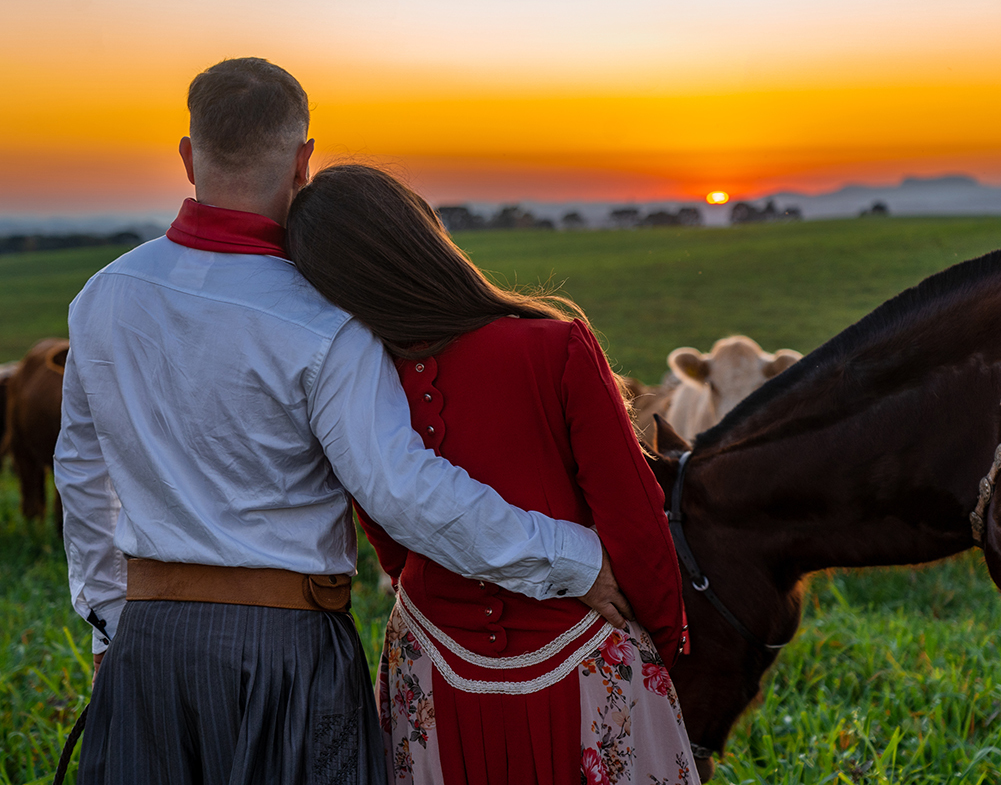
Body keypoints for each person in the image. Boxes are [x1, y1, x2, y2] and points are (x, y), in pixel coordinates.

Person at [56, 58, 631, 785]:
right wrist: (570, 559)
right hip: (285, 647)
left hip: (146, 641)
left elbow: (82, 472)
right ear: (303, 163)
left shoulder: (103, 296)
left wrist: (111, 621)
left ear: (187, 155)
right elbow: (402, 492)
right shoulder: (324, 318)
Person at [286, 165, 697, 785]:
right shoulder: (555, 347)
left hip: (430, 663)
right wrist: (662, 645)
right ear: (426, 235)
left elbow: (389, 531)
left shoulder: (357, 377)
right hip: (586, 656)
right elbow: (635, 520)